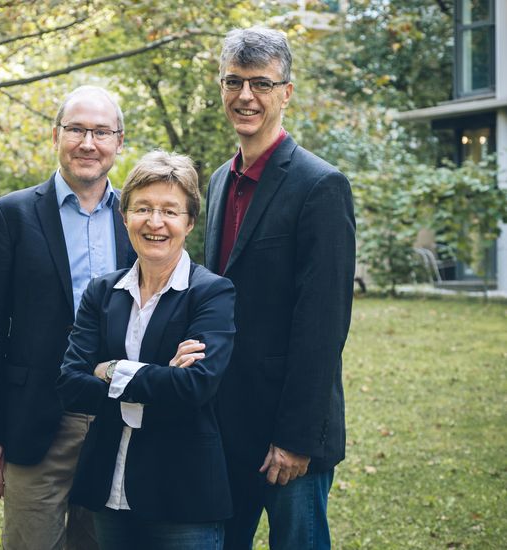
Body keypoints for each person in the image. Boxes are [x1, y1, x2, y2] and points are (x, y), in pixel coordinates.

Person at [204, 27, 356, 549]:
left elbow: (323, 326)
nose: (246, 96)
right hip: (226, 425)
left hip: (290, 436)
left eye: (261, 84)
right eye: (234, 81)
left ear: (286, 92)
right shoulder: (219, 182)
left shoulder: (320, 185)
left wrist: (294, 439)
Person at [0, 85, 136, 550]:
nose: (88, 142)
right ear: (55, 134)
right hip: (35, 420)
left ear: (119, 142)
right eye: (77, 129)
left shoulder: (137, 218)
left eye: (101, 131)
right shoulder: (13, 214)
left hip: (113, 420)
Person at [57, 150, 236, 550]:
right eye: (143, 208)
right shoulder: (102, 292)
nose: (155, 222)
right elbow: (70, 384)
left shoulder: (211, 293)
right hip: (110, 487)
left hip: (182, 491)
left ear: (189, 222)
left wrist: (110, 369)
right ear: (125, 217)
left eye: (170, 211)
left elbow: (195, 387)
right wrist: (160, 376)